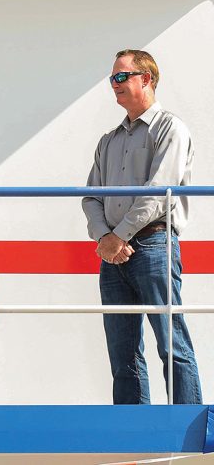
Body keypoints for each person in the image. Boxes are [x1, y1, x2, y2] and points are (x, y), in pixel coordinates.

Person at [82, 49, 201, 404]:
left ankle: (187, 428)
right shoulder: (108, 141)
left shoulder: (170, 129)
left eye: (121, 77)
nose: (114, 85)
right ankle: (133, 430)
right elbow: (91, 197)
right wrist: (105, 237)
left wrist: (118, 236)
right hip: (114, 255)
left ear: (146, 78)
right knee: (122, 351)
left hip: (154, 247)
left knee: (171, 341)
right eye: (112, 79)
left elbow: (159, 192)